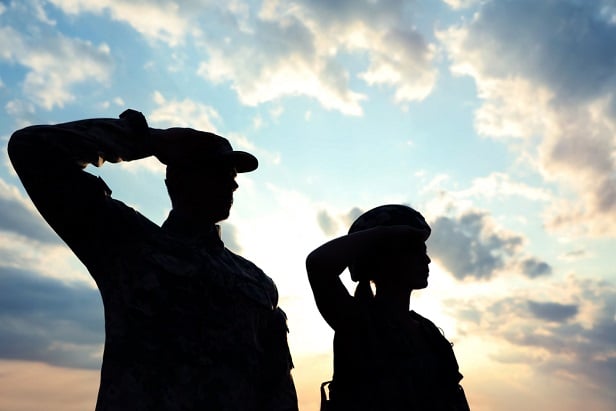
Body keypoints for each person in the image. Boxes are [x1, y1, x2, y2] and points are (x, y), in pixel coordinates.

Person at [8, 109, 298, 411]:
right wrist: (148, 140)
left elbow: (276, 386)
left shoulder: (256, 281)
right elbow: (32, 148)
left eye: (233, 176)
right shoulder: (128, 246)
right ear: (178, 181)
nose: (233, 185)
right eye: (219, 173)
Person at [306, 204, 470, 411]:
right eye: (413, 251)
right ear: (380, 260)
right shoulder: (357, 322)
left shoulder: (429, 334)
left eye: (424, 250)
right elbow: (318, 265)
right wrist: (386, 234)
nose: (426, 259)